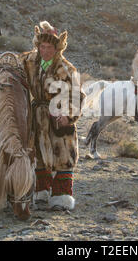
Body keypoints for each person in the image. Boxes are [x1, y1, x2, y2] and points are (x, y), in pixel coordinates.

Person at [22, 21, 85, 210]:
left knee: (62, 155)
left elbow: (78, 95)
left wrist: (69, 115)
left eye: (49, 47)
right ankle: (41, 193)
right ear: (37, 45)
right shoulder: (29, 62)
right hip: (38, 115)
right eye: (42, 46)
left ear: (56, 48)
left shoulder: (66, 69)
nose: (45, 50)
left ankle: (62, 197)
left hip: (59, 116)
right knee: (39, 155)